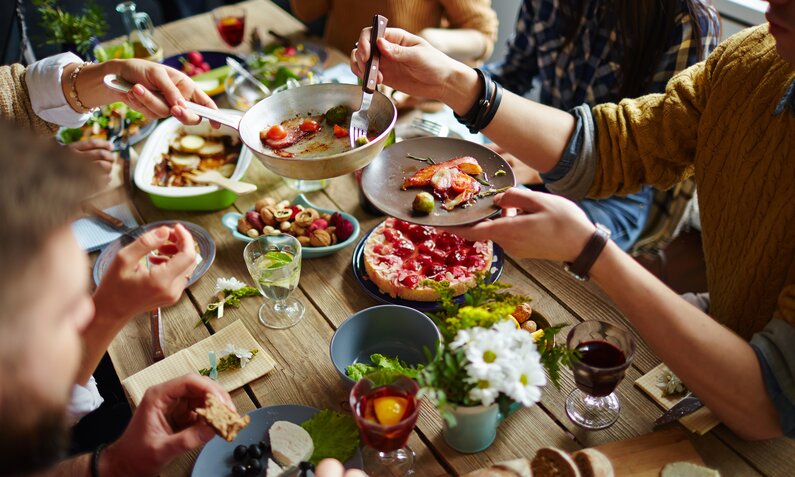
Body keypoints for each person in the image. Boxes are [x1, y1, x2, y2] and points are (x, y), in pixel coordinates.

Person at [350, 0, 795, 441]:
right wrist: (451, 80)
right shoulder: (752, 54)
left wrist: (590, 250)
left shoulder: (692, 22)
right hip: (722, 324)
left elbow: (769, 404)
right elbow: (619, 143)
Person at [483, 0, 719, 251]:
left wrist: (543, 166)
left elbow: (657, 152)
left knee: (516, 247)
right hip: (536, 157)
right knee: (472, 220)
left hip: (614, 196)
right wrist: (460, 85)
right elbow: (512, 74)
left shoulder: (687, 20)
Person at [290, 0, 498, 64]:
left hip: (408, 98)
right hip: (337, 70)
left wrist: (431, 40)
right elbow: (308, 11)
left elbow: (483, 36)